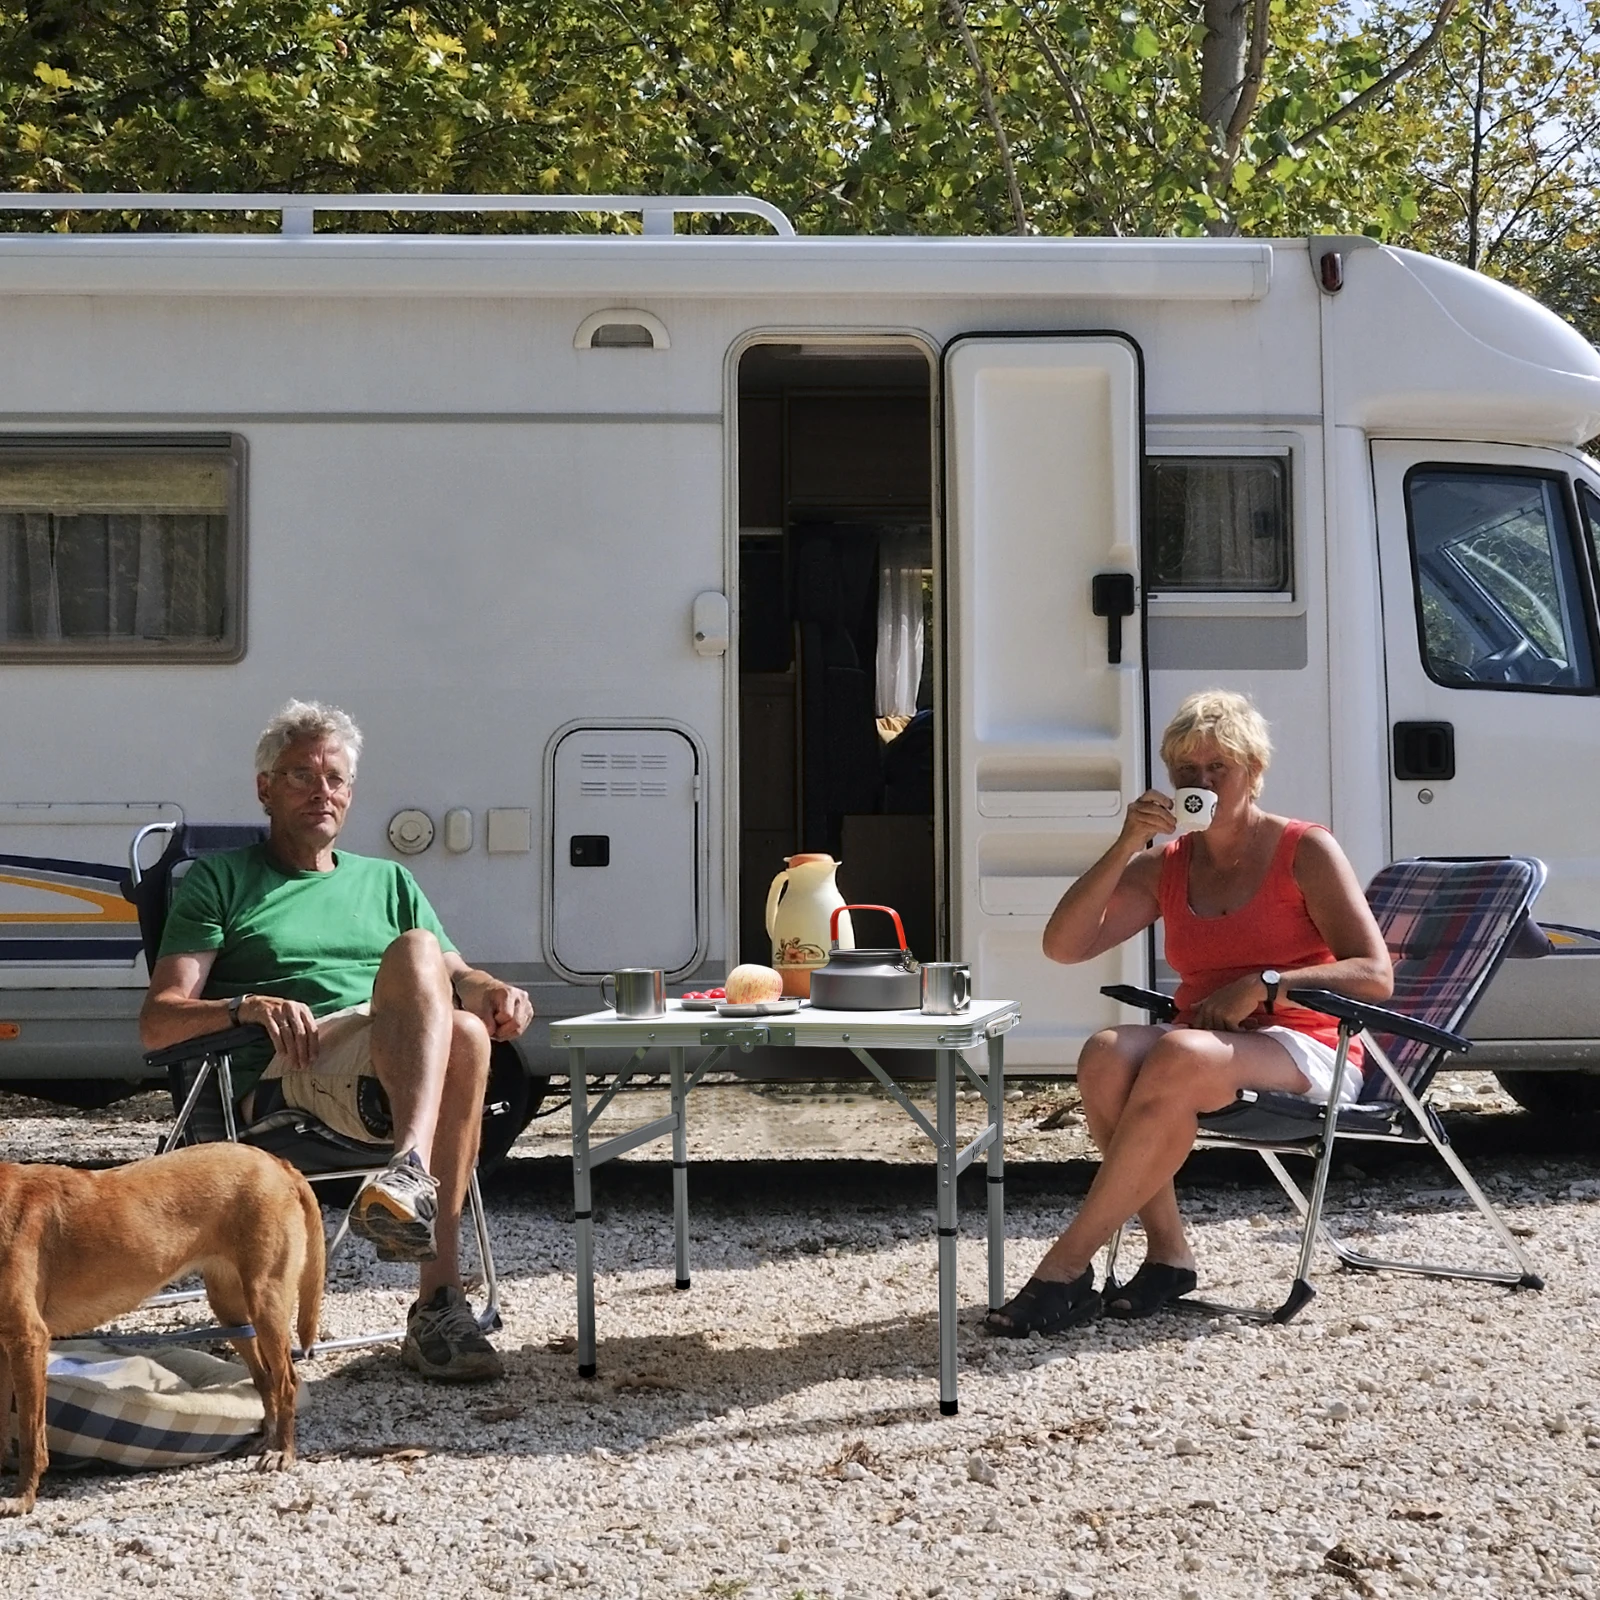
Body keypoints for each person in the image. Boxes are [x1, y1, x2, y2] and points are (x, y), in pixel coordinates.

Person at [140, 699, 535, 1381]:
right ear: (264, 788)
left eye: (336, 780)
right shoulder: (221, 882)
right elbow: (160, 1018)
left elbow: (457, 975)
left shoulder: (388, 880)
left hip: (391, 1069)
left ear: (351, 793)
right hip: (291, 1076)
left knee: (468, 1026)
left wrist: (495, 989)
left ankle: (430, 1276)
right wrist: (244, 1006)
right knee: (421, 960)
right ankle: (421, 1222)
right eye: (300, 776)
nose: (321, 792)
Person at [987, 689, 1392, 1336]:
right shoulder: (1166, 865)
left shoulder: (1303, 849)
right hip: (1206, 1044)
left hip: (1311, 1043)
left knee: (1173, 1053)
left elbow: (1375, 974)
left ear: (1253, 773)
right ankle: (1170, 1255)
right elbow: (1062, 946)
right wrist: (1125, 844)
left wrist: (1264, 984)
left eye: (1216, 769)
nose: (1199, 783)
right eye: (1185, 773)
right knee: (1105, 1053)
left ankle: (1064, 1266)